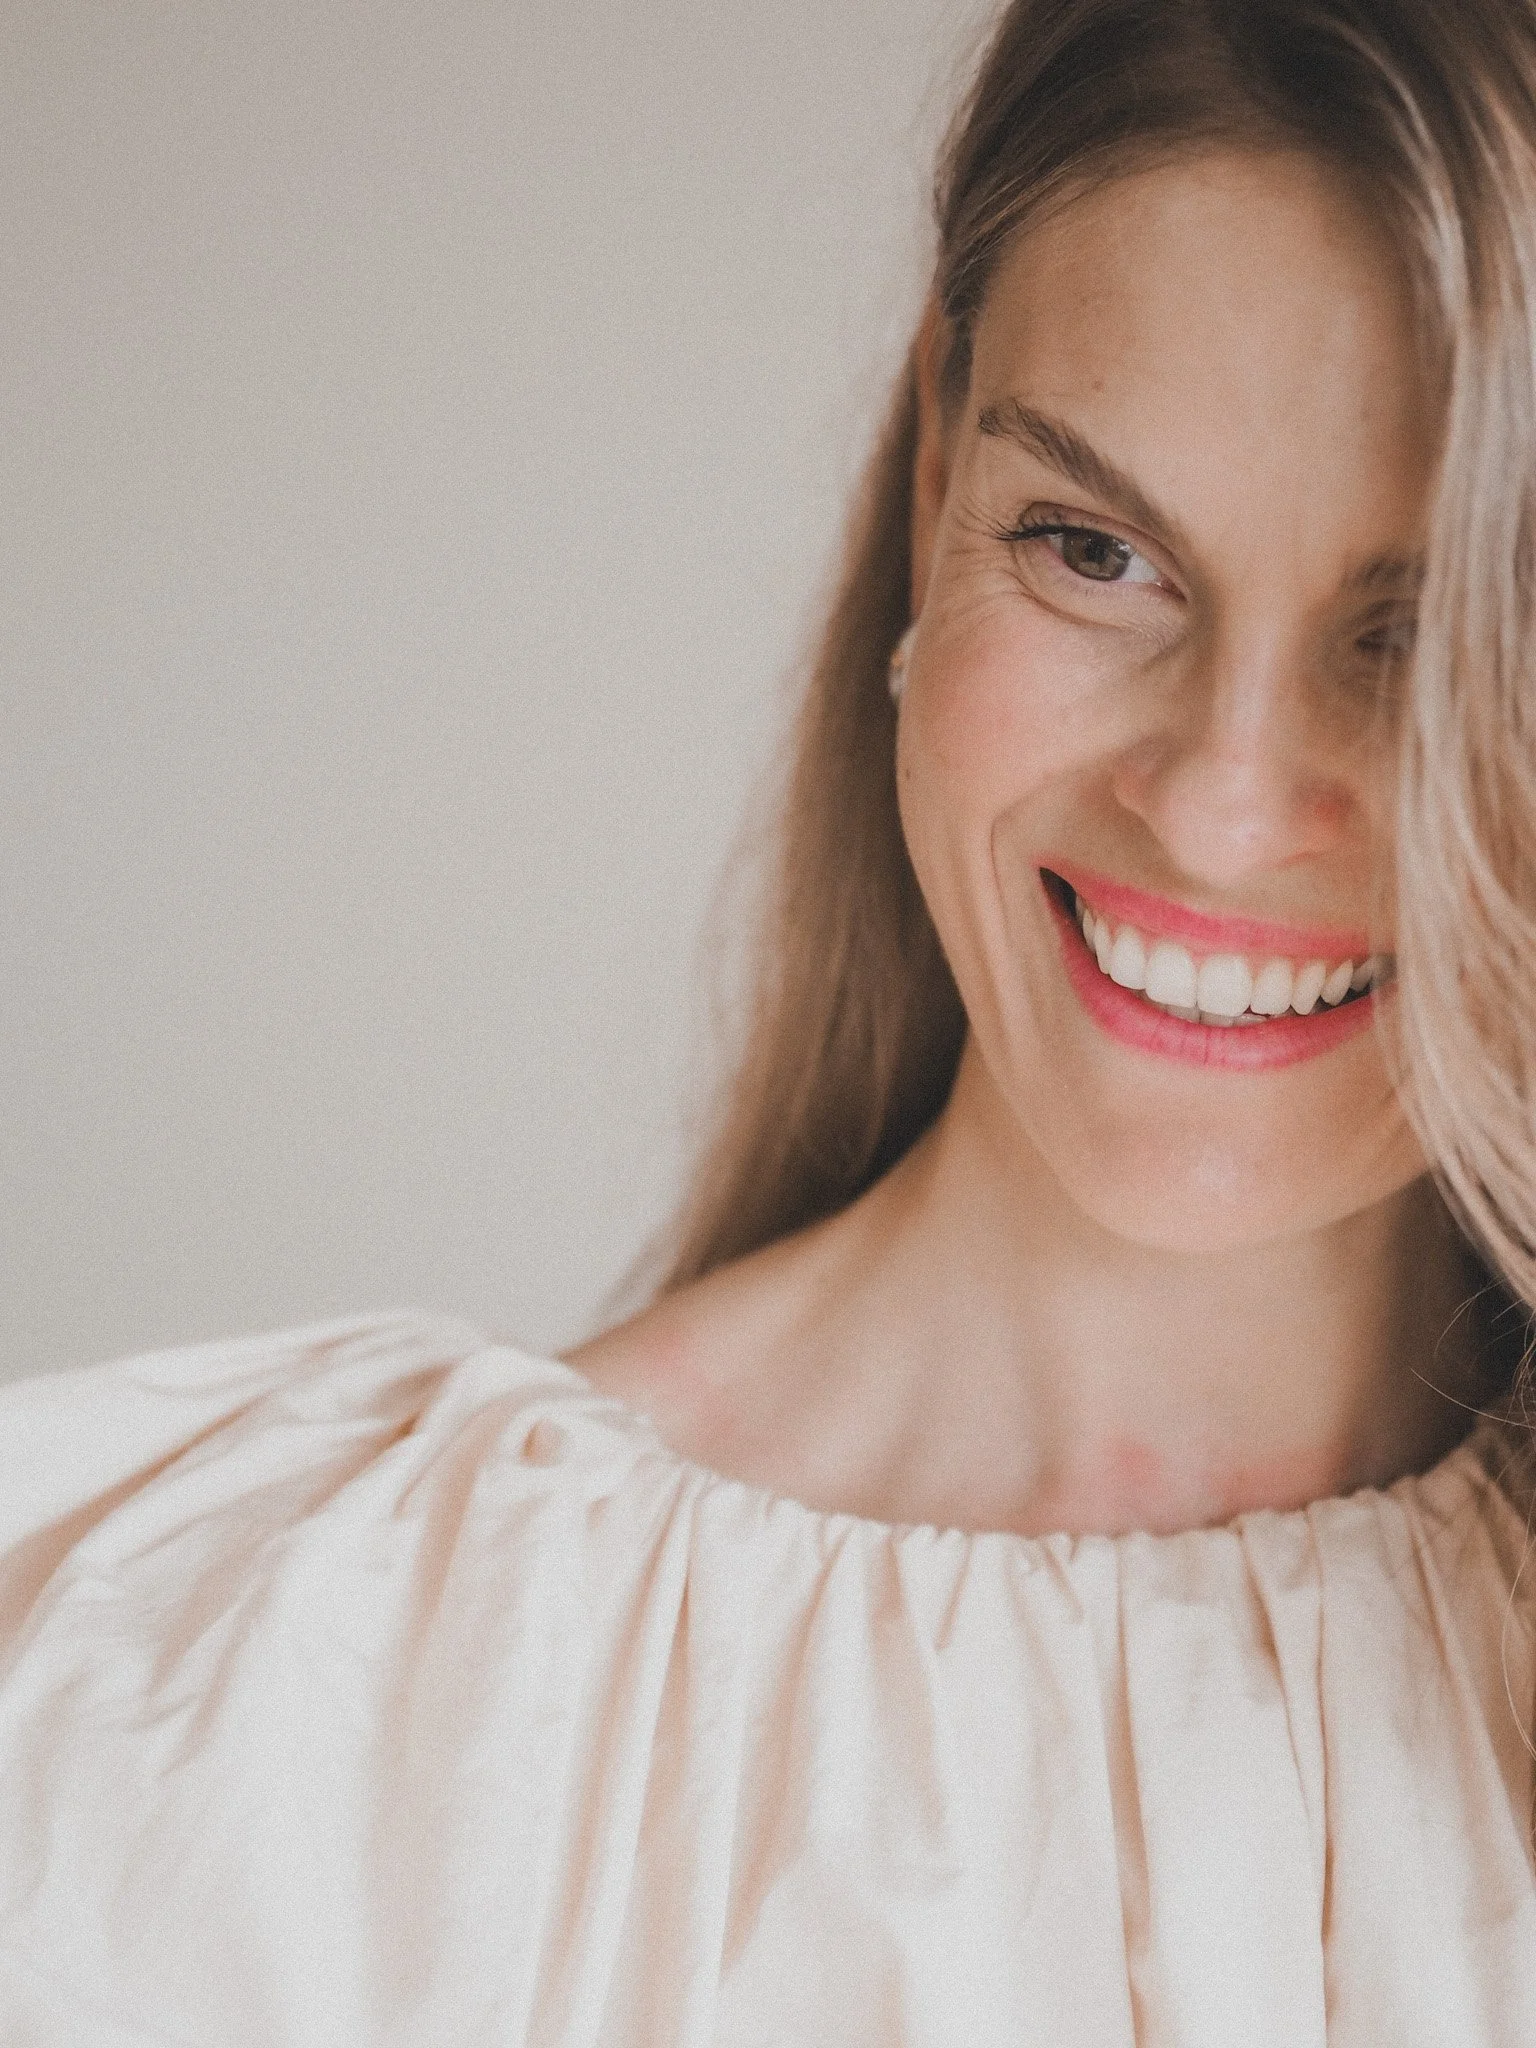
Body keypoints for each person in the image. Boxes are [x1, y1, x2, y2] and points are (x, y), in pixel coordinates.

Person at [4, 0, 1536, 2039]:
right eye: (1097, 549)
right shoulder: (244, 1689)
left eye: (1425, 636)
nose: (1225, 798)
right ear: (932, 472)